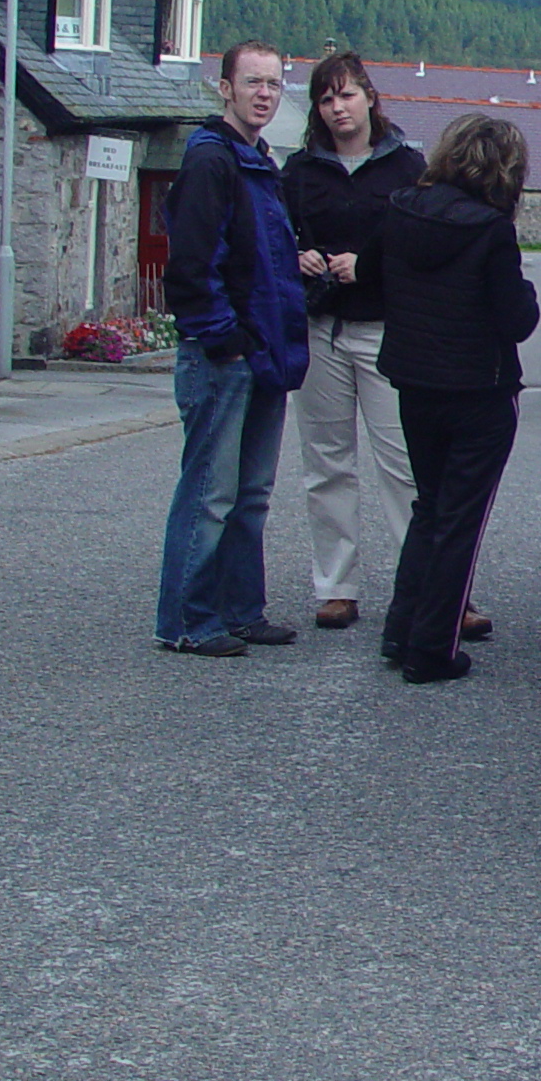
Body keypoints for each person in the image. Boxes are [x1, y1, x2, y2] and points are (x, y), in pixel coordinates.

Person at [364, 113, 539, 683]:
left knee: (430, 508)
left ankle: (403, 628)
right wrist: (528, 289)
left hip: (415, 383)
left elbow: (370, 279)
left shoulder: (400, 208)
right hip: (479, 391)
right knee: (461, 519)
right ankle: (432, 648)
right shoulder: (491, 231)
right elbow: (516, 321)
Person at [154, 40, 309, 657]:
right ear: (225, 88)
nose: (265, 93)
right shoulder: (211, 163)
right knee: (209, 495)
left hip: (263, 353)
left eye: (274, 83)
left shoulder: (258, 163)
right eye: (253, 82)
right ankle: (189, 621)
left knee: (251, 495)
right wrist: (225, 339)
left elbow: (259, 261)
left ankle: (242, 611)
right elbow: (192, 265)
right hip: (225, 355)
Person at [282, 52, 431, 632]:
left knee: (402, 464)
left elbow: (421, 246)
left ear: (369, 97)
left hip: (382, 330)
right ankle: (336, 585)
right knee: (326, 462)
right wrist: (298, 257)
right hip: (320, 328)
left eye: (346, 95)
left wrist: (367, 264)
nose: (338, 107)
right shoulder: (299, 172)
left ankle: (421, 585)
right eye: (326, 99)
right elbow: (278, 237)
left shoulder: (406, 168)